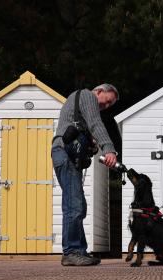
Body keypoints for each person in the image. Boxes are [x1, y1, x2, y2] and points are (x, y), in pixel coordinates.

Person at [52, 84, 119, 266]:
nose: (105, 107)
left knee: (77, 203)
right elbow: (96, 123)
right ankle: (71, 251)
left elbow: (86, 128)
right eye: (106, 102)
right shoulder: (88, 96)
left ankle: (79, 250)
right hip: (65, 154)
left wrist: (91, 143)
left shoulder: (77, 101)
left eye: (108, 106)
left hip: (63, 154)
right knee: (74, 204)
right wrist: (109, 149)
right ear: (99, 91)